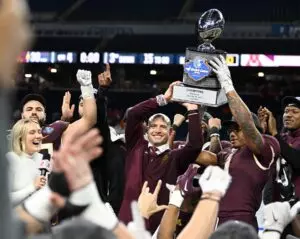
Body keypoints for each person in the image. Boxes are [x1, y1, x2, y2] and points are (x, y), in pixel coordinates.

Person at [194, 56, 281, 229]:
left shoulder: (267, 148)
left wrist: (227, 85)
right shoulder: (227, 151)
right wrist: (197, 110)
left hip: (241, 222)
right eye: (230, 129)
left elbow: (247, 123)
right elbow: (194, 154)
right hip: (214, 220)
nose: (232, 133)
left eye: (237, 129)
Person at [119, 81, 203, 233]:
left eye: (163, 126)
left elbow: (196, 145)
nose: (158, 130)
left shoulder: (175, 157)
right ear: (147, 130)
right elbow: (133, 114)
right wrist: (163, 99)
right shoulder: (136, 146)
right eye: (153, 126)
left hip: (158, 227)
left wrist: (192, 109)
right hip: (127, 221)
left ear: (170, 132)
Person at [7, 119, 46, 206]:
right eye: (32, 133)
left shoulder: (44, 159)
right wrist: (32, 187)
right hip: (15, 218)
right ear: (20, 138)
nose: (38, 136)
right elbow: (4, 200)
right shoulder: (10, 159)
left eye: (39, 132)